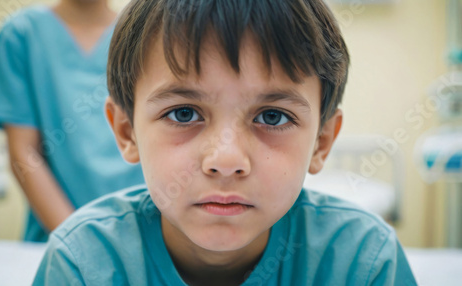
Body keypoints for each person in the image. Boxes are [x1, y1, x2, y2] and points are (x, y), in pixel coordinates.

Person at [33, 0, 417, 285]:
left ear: (321, 142)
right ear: (126, 132)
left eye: (272, 117)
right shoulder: (81, 264)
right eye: (184, 114)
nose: (227, 160)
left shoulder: (364, 264)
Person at [0, 0, 145, 242]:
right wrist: (79, 243)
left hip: (144, 230)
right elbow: (24, 153)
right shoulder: (22, 34)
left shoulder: (145, 34)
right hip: (58, 237)